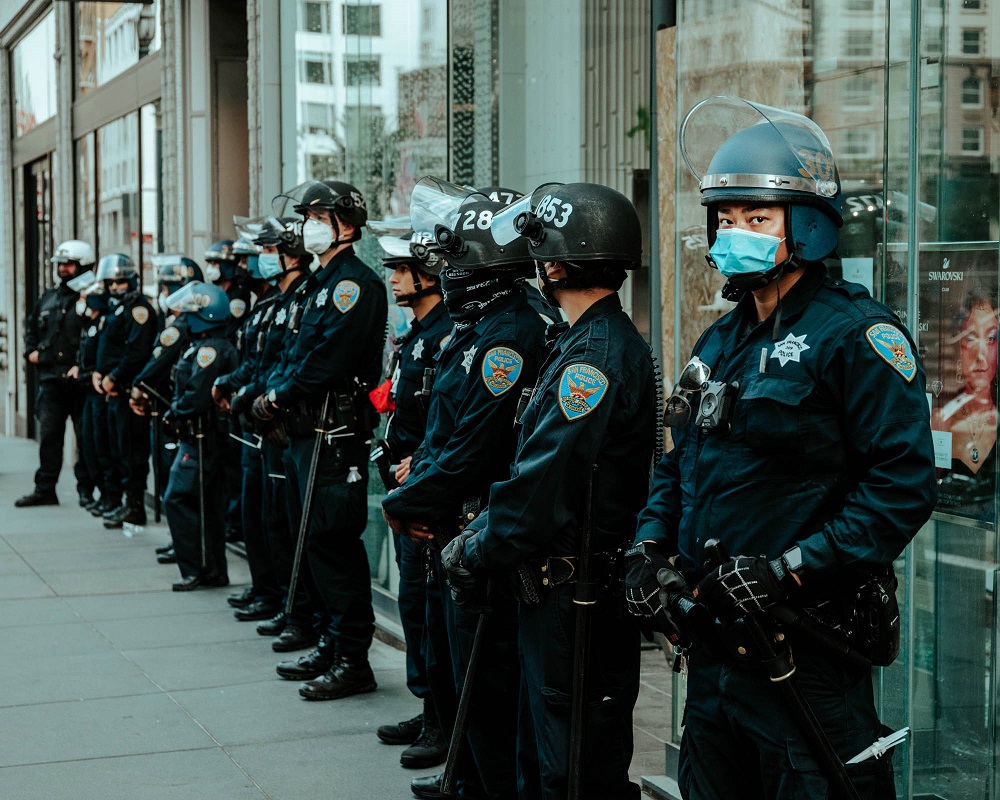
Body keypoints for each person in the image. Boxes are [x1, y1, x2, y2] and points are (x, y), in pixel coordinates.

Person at [623, 96, 937, 800]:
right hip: (714, 660)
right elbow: (680, 465)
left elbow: (902, 486)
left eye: (757, 219)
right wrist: (649, 551)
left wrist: (793, 568)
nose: (736, 233)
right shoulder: (720, 340)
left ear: (809, 228)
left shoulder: (857, 337)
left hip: (805, 654)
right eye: (726, 219)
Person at [440, 183, 654, 799]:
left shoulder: (594, 357)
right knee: (545, 753)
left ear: (556, 262)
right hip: (556, 590)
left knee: (573, 764)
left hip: (578, 596)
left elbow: (542, 483)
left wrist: (478, 547)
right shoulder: (577, 340)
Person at [381, 180, 547, 800]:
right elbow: (439, 429)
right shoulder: (477, 327)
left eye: (454, 259)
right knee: (465, 670)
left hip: (483, 526)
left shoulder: (510, 332)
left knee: (490, 681)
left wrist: (407, 503)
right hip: (453, 520)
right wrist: (417, 487)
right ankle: (468, 775)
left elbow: (475, 447)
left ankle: (482, 782)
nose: (444, 273)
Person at [252, 180, 387, 701]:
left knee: (332, 543)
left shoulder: (354, 284)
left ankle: (354, 658)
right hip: (306, 432)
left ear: (346, 226)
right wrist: (275, 393)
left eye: (318, 215)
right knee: (309, 539)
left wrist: (280, 394)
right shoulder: (316, 284)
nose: (307, 223)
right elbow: (293, 351)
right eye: (305, 216)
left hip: (335, 434)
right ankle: (333, 643)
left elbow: (324, 360)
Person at [372, 230, 450, 770]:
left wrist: (417, 467)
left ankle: (444, 721)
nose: (394, 278)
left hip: (426, 487)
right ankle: (429, 710)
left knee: (429, 609)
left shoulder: (446, 332)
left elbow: (447, 424)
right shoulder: (417, 332)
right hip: (406, 485)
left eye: (402, 268)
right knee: (414, 608)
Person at [161, 281, 237, 590]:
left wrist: (174, 413)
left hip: (203, 438)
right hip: (202, 438)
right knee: (207, 505)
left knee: (178, 498)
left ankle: (194, 569)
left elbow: (196, 394)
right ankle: (212, 569)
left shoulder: (211, 349)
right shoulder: (206, 344)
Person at [131, 255, 205, 561]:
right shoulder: (178, 322)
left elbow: (158, 361)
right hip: (168, 407)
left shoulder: (184, 324)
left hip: (175, 410)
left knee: (177, 483)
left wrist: (138, 385)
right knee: (168, 478)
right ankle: (180, 540)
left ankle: (186, 543)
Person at [16, 240, 96, 508]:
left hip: (80, 380)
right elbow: (32, 327)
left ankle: (87, 490)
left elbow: (97, 337)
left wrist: (82, 365)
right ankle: (45, 489)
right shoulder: (49, 296)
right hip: (51, 380)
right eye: (60, 264)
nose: (62, 269)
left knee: (85, 438)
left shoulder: (93, 297)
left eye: (68, 264)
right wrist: (30, 352)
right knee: (49, 435)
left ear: (83, 266)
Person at [92, 253, 157, 529]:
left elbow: (136, 353)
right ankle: (123, 503)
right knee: (118, 450)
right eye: (110, 282)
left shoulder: (138, 309)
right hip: (114, 390)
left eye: (120, 281)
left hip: (130, 392)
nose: (115, 287)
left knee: (133, 452)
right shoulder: (117, 309)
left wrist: (115, 377)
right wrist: (99, 373)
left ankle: (135, 507)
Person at [933, 288, 998, 520]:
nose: (981, 355)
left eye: (991, 338)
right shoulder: (942, 419)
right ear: (959, 348)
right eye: (970, 339)